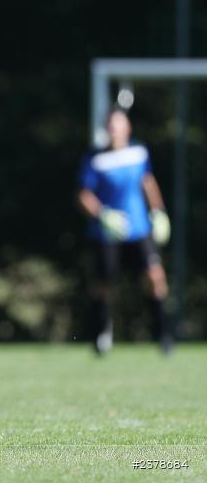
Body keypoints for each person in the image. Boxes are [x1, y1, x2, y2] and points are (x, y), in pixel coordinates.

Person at [78, 107, 172, 355]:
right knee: (104, 284)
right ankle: (100, 336)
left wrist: (159, 211)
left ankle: (163, 335)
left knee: (155, 277)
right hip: (107, 233)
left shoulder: (138, 152)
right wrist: (103, 215)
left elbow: (148, 182)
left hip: (139, 229)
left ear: (127, 127)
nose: (113, 128)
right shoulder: (95, 158)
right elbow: (84, 195)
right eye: (110, 124)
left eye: (117, 124)